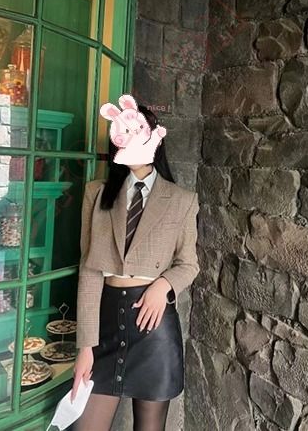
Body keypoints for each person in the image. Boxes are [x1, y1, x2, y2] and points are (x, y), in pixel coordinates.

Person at [71, 106, 200, 431]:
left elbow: (189, 264)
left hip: (154, 329)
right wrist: (85, 347)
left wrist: (163, 286)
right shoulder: (97, 194)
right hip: (104, 325)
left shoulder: (182, 199)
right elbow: (89, 271)